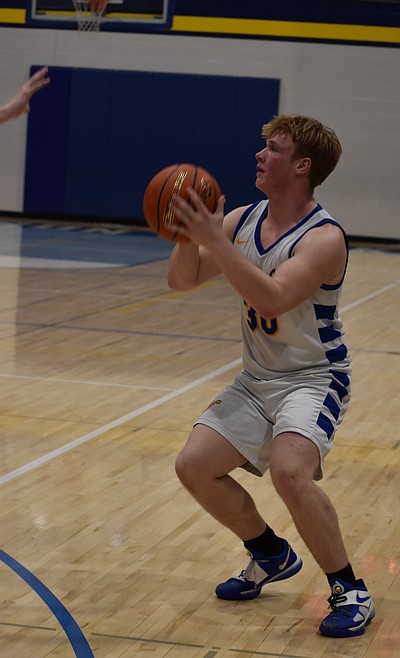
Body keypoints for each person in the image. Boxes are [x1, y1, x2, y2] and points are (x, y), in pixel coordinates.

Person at [166, 114, 375, 638]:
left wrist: (215, 242)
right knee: (194, 466)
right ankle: (269, 553)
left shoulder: (324, 238)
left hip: (315, 377)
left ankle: (350, 588)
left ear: (302, 166)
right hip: (257, 378)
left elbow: (273, 298)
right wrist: (187, 233)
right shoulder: (242, 220)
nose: (260, 155)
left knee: (288, 472)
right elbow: (181, 280)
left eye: (274, 148)